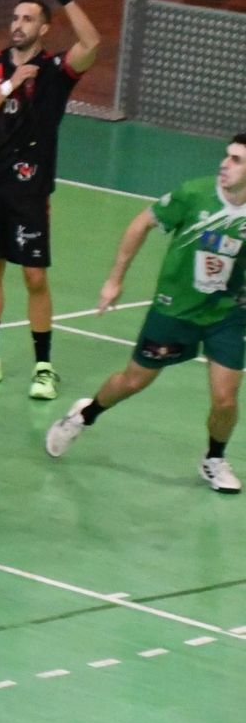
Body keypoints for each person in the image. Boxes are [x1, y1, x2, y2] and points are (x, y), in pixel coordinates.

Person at [45, 135, 246, 494]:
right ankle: (83, 416)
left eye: (236, 160)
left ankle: (213, 458)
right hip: (175, 310)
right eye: (226, 156)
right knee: (133, 381)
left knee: (226, 398)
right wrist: (114, 279)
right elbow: (140, 224)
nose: (225, 165)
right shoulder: (193, 194)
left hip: (225, 314)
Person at [0, 0, 100, 400]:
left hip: (30, 190)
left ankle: (43, 366)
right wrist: (9, 85)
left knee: (34, 276)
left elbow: (92, 44)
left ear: (44, 29)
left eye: (28, 19)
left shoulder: (57, 71)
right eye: (15, 17)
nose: (17, 24)